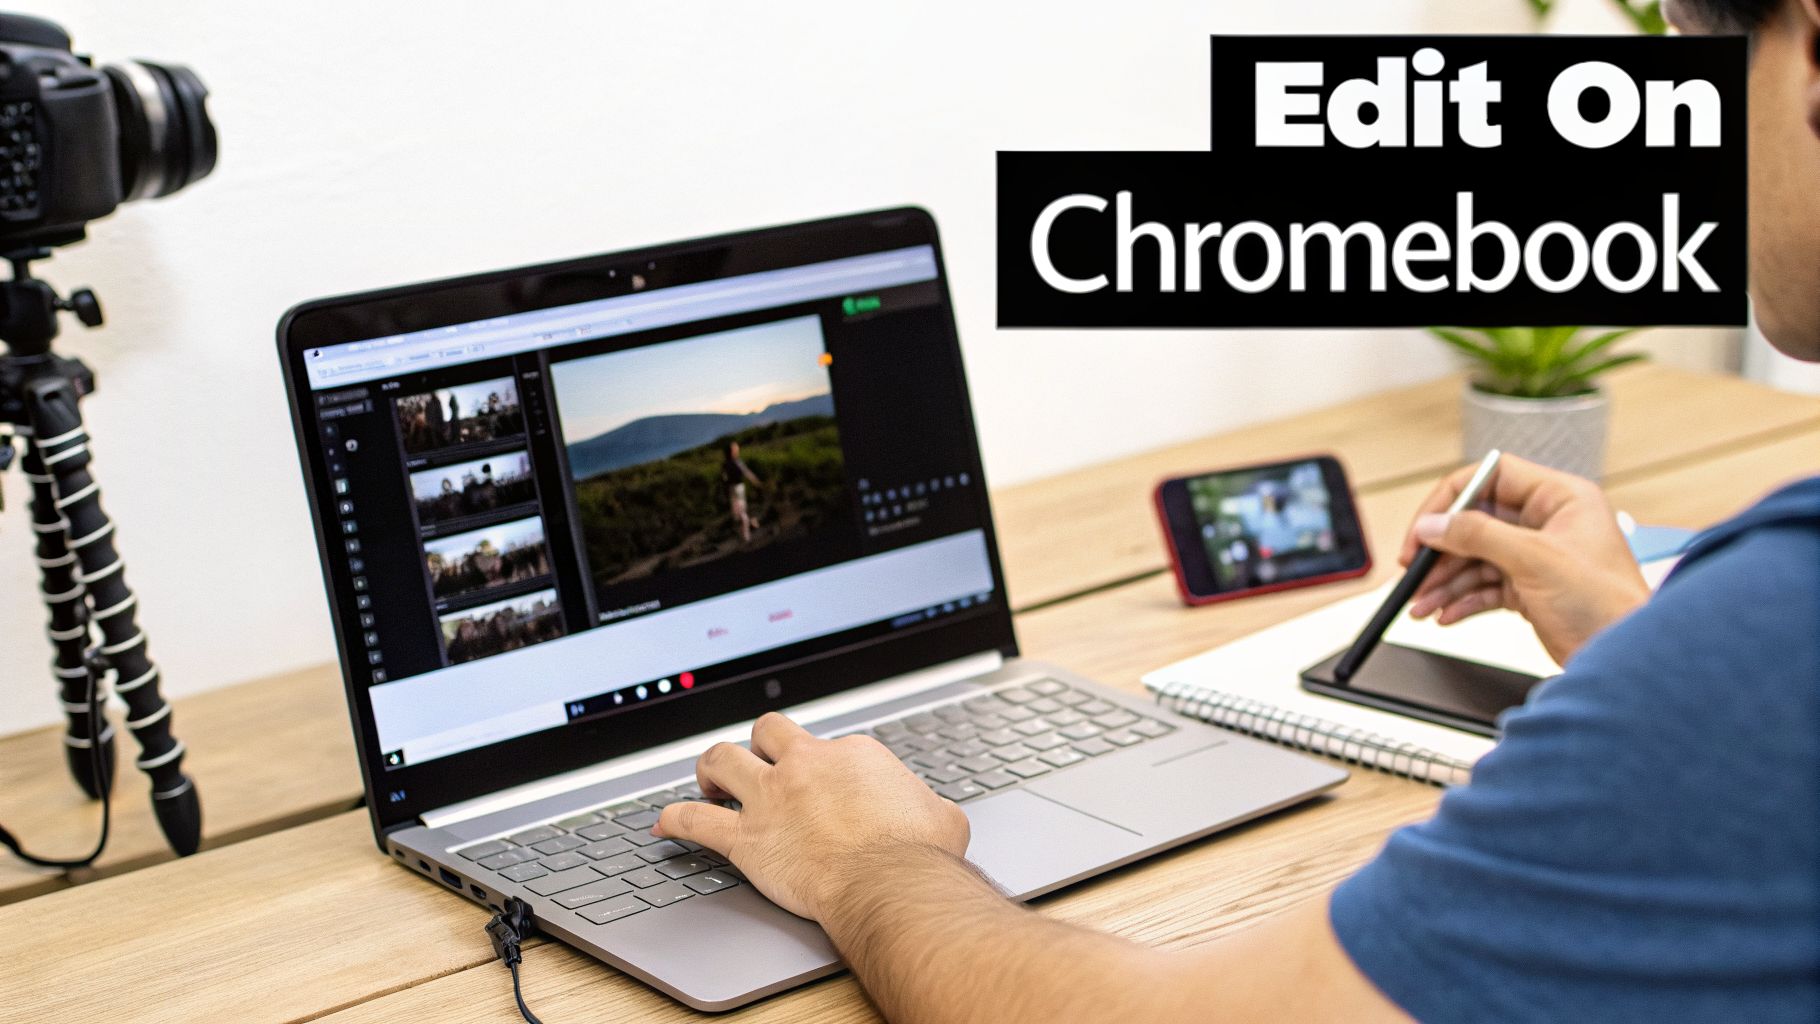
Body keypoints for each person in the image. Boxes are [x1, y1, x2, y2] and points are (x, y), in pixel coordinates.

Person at [652, 1, 1820, 1020]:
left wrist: (867, 867)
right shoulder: (1758, 647)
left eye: (1698, 74)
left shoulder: (1771, 627)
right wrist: (1644, 651)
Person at [721, 441, 762, 543]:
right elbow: (746, 472)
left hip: (734, 489)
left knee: (740, 513)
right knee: (740, 513)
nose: (737, 451)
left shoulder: (728, 463)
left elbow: (724, 478)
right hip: (736, 489)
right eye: (735, 449)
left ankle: (746, 534)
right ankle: (746, 534)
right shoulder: (734, 462)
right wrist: (756, 481)